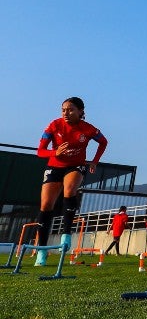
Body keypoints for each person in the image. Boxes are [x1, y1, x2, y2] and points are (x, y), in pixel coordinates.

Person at [34, 97, 108, 266]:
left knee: (69, 190)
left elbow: (103, 142)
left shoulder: (89, 129)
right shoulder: (54, 125)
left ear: (81, 112)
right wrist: (55, 153)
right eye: (63, 110)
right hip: (54, 166)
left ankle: (66, 234)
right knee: (46, 205)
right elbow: (40, 151)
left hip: (75, 166)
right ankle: (41, 252)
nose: (66, 113)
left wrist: (95, 161)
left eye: (71, 109)